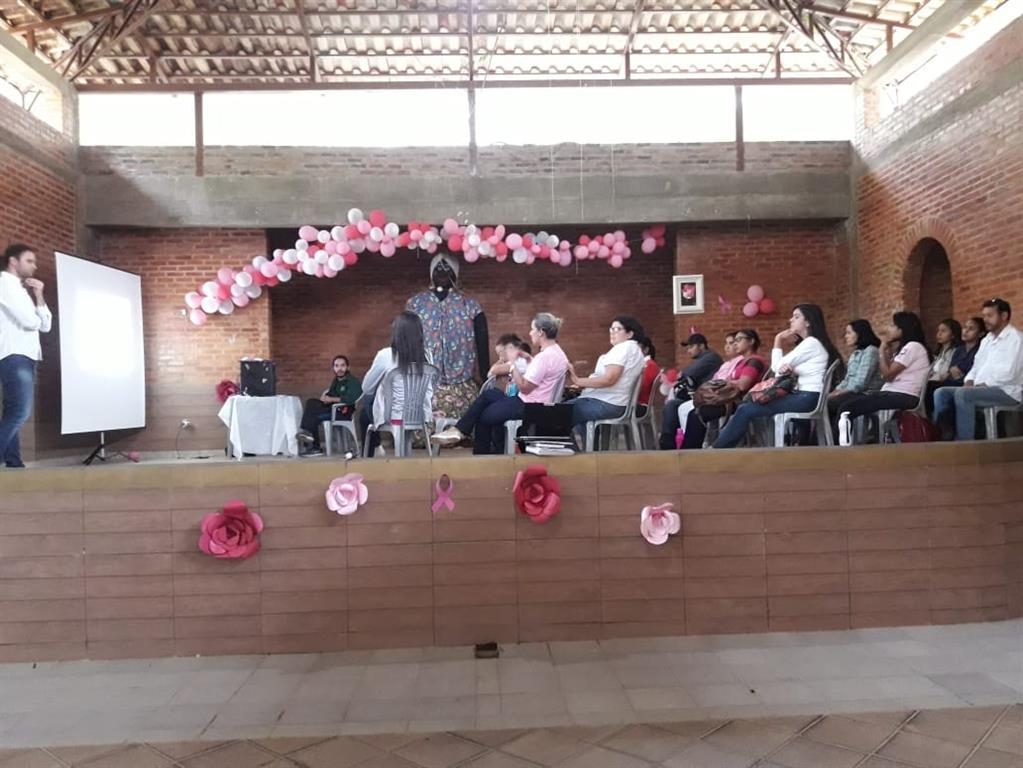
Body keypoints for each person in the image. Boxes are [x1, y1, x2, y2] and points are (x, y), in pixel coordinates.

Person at [431, 313, 569, 454]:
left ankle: (481, 455)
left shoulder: (544, 358)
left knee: (484, 416)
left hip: (528, 405)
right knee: (489, 395)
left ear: (541, 332)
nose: (530, 333)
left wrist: (513, 366)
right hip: (534, 402)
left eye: (532, 329)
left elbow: (524, 387)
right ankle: (459, 431)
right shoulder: (558, 354)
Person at [712, 303, 842, 449]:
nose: (791, 320)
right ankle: (722, 447)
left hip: (807, 397)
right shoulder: (811, 343)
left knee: (745, 409)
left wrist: (778, 340)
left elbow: (776, 368)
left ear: (808, 322)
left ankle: (717, 449)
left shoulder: (811, 343)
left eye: (796, 317)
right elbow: (781, 369)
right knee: (747, 408)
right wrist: (788, 370)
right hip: (806, 396)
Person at [406, 253, 489, 421]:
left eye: (447, 268)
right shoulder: (416, 304)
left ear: (455, 273)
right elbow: (406, 341)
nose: (442, 272)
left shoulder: (470, 306)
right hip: (426, 382)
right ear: (431, 273)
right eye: (438, 268)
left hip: (461, 383)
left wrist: (485, 376)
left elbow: (482, 344)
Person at [829, 311, 931, 439]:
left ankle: (838, 445)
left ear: (902, 328)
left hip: (904, 395)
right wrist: (886, 352)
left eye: (893, 326)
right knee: (847, 405)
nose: (890, 329)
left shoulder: (913, 347)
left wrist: (882, 350)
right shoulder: (905, 348)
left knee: (847, 408)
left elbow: (887, 375)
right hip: (891, 393)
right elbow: (886, 373)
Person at [933, 299, 1023, 441]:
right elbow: (976, 366)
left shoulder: (1016, 339)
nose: (985, 319)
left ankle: (965, 443)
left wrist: (984, 384)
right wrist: (969, 380)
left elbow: (1010, 373)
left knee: (963, 395)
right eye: (984, 316)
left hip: (1007, 391)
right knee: (941, 393)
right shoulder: (987, 340)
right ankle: (944, 440)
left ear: (1004, 316)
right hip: (980, 388)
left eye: (990, 315)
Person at [0, 244, 52, 469]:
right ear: (13, 261)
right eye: (29, 261)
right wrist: (37, 318)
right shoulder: (4, 284)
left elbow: (46, 326)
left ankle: (14, 462)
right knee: (20, 411)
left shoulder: (22, 290)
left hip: (26, 355)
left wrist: (39, 296)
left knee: (13, 412)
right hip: (14, 355)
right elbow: (30, 322)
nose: (35, 266)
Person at [360, 311, 434, 455]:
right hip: (420, 415)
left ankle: (372, 450)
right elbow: (429, 390)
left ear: (397, 333)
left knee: (368, 399)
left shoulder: (385, 355)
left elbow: (366, 387)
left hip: (393, 416)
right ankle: (380, 446)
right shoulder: (427, 355)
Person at [679, 329, 767, 449]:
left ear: (751, 341)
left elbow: (743, 385)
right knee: (695, 412)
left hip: (740, 402)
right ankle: (691, 449)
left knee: (698, 414)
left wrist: (726, 382)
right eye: (735, 341)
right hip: (730, 399)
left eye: (739, 340)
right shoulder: (741, 362)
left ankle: (690, 451)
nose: (735, 343)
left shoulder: (754, 361)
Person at [567, 316, 647, 447]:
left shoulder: (623, 348)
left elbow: (609, 379)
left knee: (560, 412)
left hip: (609, 404)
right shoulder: (635, 350)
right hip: (619, 403)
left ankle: (573, 452)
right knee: (575, 411)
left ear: (630, 334)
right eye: (611, 329)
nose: (612, 332)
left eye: (617, 329)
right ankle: (590, 449)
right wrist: (583, 384)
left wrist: (578, 380)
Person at [657, 333, 724, 449]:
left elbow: (686, 373)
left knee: (674, 405)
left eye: (691, 347)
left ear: (701, 346)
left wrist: (680, 375)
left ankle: (672, 443)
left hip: (709, 398)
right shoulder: (701, 359)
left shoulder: (711, 357)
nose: (688, 351)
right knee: (672, 405)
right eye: (688, 348)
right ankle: (668, 442)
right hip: (698, 396)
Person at [296, 355, 363, 456]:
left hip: (343, 412)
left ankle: (314, 446)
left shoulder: (352, 381)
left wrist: (331, 399)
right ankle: (307, 434)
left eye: (342, 365)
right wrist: (325, 397)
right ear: (333, 368)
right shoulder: (336, 380)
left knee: (314, 416)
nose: (339, 369)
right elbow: (331, 394)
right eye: (336, 366)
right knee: (311, 402)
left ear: (348, 367)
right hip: (332, 408)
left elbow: (351, 399)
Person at [826, 319, 882, 429]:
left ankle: (840, 437)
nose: (846, 336)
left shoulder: (871, 351)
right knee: (825, 402)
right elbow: (847, 379)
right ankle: (829, 436)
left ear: (859, 333)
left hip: (867, 394)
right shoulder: (855, 354)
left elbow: (861, 382)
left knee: (832, 404)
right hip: (853, 392)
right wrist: (835, 391)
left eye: (849, 333)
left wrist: (839, 393)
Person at [925, 318, 963, 415]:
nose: (939, 334)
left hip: (946, 381)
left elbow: (949, 372)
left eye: (943, 331)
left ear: (953, 334)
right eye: (938, 331)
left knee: (928, 387)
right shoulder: (938, 353)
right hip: (934, 380)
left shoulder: (957, 351)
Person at [946, 316, 984, 387]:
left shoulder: (980, 350)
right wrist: (952, 370)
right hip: (952, 382)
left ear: (981, 334)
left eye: (971, 329)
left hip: (968, 384)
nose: (966, 331)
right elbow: (951, 368)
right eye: (965, 327)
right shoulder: (959, 350)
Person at [635, 338, 661, 418]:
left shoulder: (649, 365)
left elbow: (641, 388)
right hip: (636, 404)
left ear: (646, 350)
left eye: (637, 349)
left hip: (641, 405)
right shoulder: (646, 365)